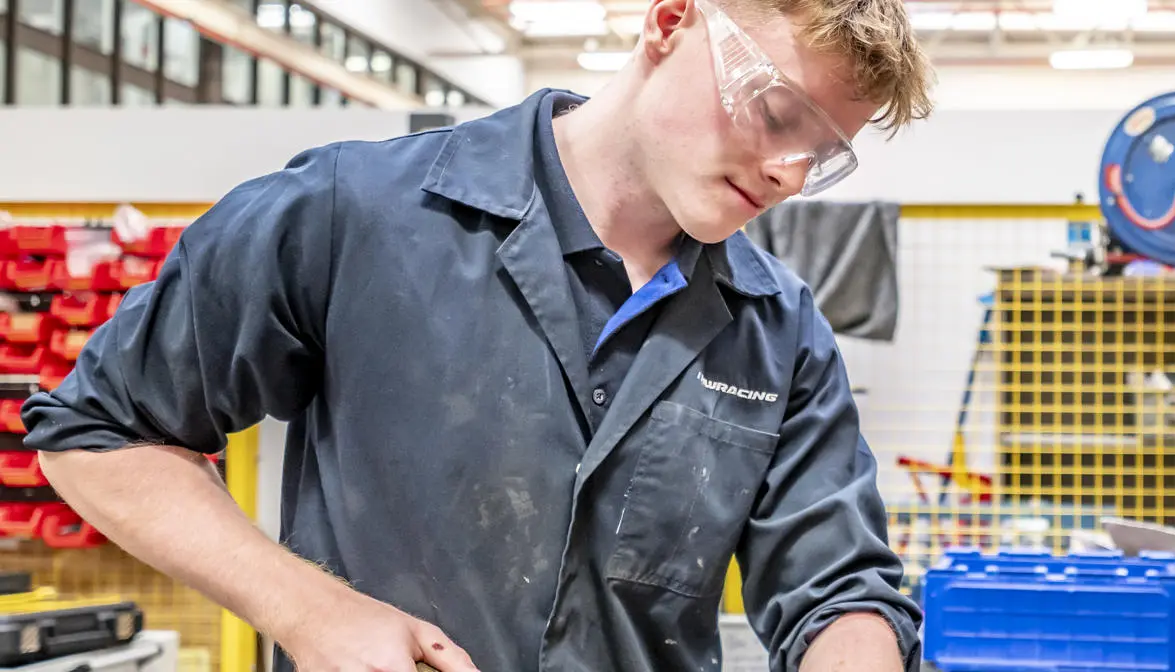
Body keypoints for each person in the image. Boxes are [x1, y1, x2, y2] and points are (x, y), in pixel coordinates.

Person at [20, 0, 934, 670]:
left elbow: (839, 590)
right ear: (669, 21)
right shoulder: (353, 216)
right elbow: (98, 433)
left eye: (822, 155)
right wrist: (310, 610)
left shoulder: (780, 333)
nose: (786, 170)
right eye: (777, 112)